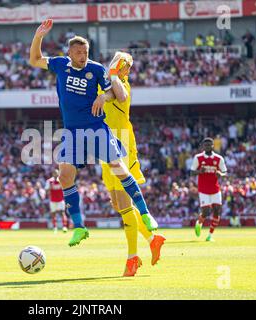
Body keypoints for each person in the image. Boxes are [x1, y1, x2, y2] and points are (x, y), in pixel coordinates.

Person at [29, 19, 158, 247]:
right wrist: (39, 36)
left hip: (97, 129)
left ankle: (146, 213)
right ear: (70, 52)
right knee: (64, 175)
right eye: (78, 52)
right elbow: (34, 60)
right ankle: (79, 227)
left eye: (85, 51)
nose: (83, 55)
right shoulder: (60, 65)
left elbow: (115, 94)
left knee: (120, 169)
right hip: (72, 132)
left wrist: (103, 96)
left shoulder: (96, 69)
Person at [100, 51, 166, 276]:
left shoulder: (122, 84)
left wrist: (113, 73)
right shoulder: (105, 81)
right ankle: (152, 239)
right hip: (103, 144)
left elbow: (121, 96)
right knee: (118, 205)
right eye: (122, 65)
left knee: (125, 204)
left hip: (121, 144)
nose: (124, 68)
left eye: (124, 66)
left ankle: (132, 259)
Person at [190, 138, 228, 242]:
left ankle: (210, 235)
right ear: (203, 146)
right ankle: (199, 223)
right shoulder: (198, 158)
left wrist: (221, 174)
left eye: (209, 145)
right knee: (206, 211)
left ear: (213, 146)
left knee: (217, 211)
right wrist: (199, 172)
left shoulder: (219, 158)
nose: (207, 147)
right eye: (205, 145)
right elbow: (191, 172)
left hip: (215, 188)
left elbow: (225, 172)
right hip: (203, 189)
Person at [45, 169, 68, 234]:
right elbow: (46, 191)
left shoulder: (62, 180)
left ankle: (64, 227)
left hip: (61, 200)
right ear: (53, 174)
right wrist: (50, 187)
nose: (56, 174)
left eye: (57, 173)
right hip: (53, 200)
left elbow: (66, 188)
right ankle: (55, 228)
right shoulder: (49, 181)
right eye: (54, 173)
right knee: (53, 214)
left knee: (62, 213)